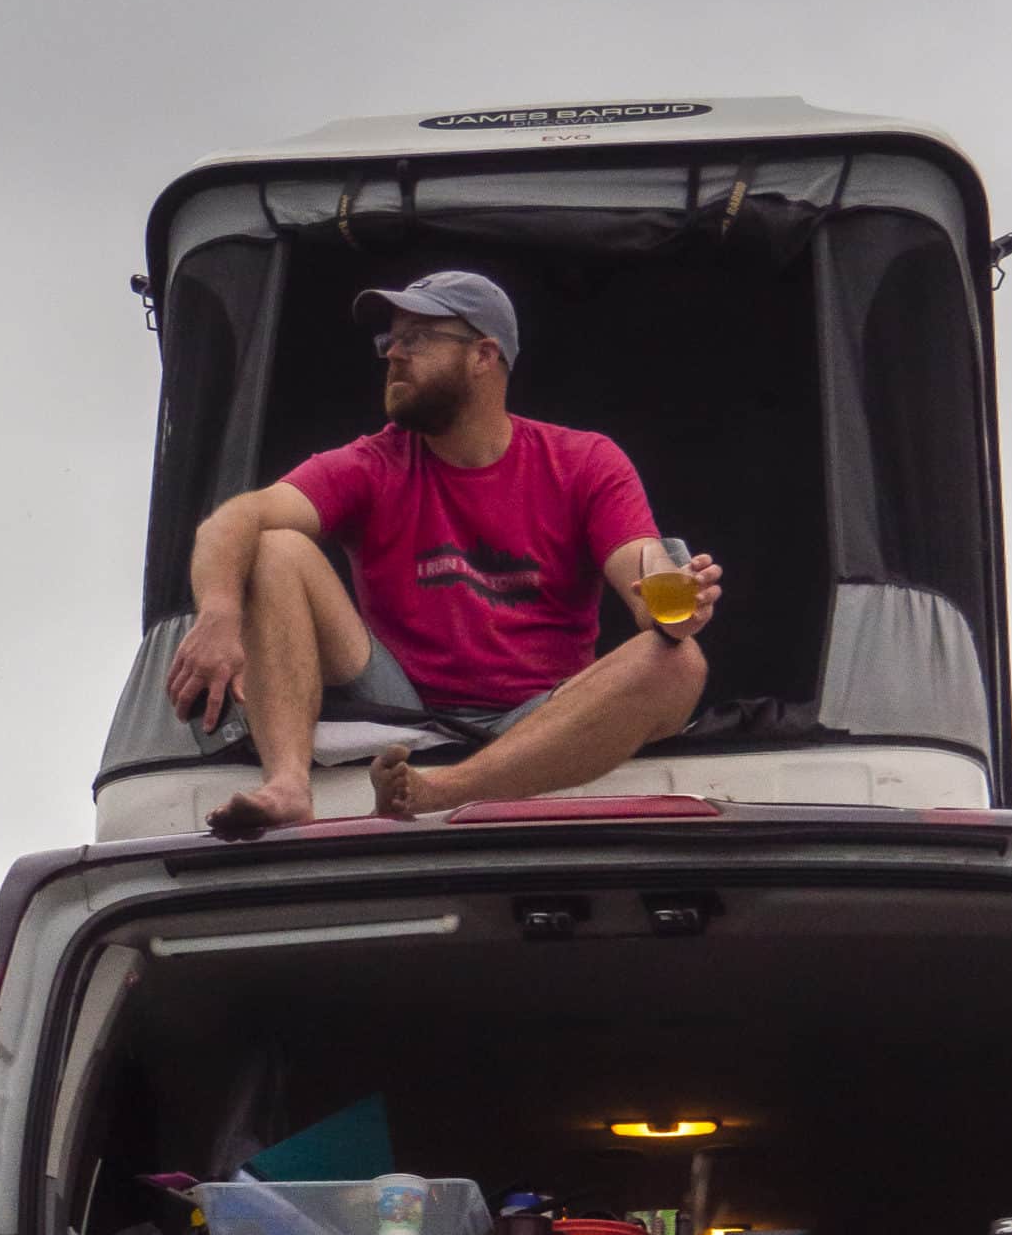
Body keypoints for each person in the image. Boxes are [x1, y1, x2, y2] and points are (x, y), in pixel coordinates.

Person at [164, 270, 721, 837]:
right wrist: (219, 613)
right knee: (273, 545)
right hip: (404, 708)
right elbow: (237, 518)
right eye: (390, 341)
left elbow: (643, 564)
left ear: (484, 355)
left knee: (679, 663)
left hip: (543, 714)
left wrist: (675, 605)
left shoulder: (584, 460)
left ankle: (438, 792)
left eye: (417, 338)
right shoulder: (373, 462)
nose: (394, 355)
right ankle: (287, 785)